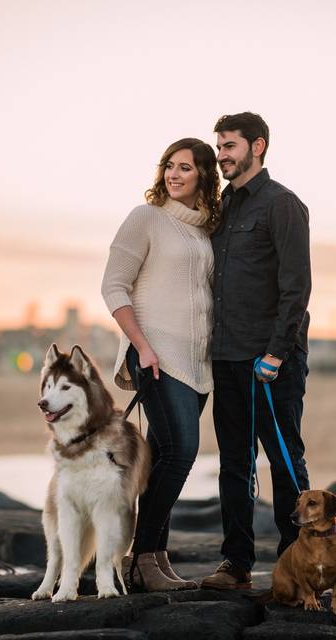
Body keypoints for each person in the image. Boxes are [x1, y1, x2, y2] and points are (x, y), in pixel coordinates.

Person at [101, 138, 221, 592]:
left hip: (197, 364)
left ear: (204, 176)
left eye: (185, 168)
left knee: (160, 458)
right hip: (155, 354)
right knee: (181, 452)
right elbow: (114, 286)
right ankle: (139, 558)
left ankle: (156, 560)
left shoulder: (206, 229)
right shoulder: (145, 217)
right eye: (169, 166)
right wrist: (141, 345)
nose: (173, 174)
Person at [200, 112, 312, 590]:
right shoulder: (220, 209)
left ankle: (297, 565)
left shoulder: (282, 205)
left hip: (270, 361)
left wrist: (277, 353)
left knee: (286, 463)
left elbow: (296, 286)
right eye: (219, 146)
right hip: (225, 357)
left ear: (257, 146)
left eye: (230, 146)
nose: (221, 155)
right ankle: (237, 563)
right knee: (234, 464)